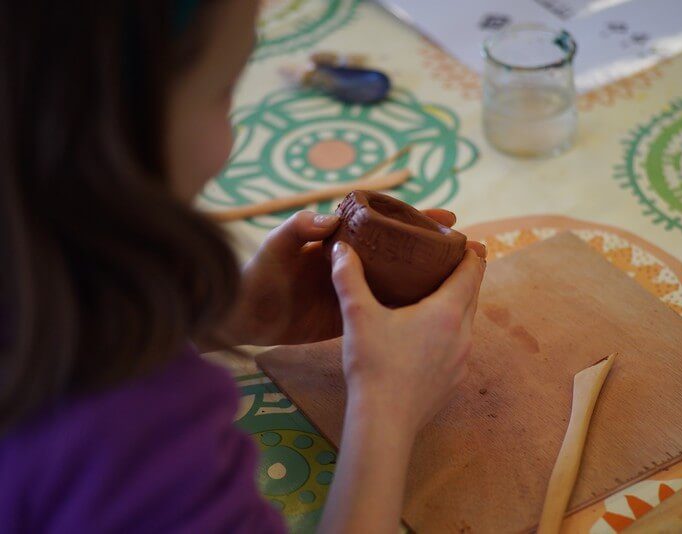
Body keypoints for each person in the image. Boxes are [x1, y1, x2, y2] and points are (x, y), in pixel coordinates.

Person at [0, 1, 486, 532]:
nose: (230, 144)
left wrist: (217, 323)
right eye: (225, 90)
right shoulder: (131, 429)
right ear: (112, 126)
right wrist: (387, 411)